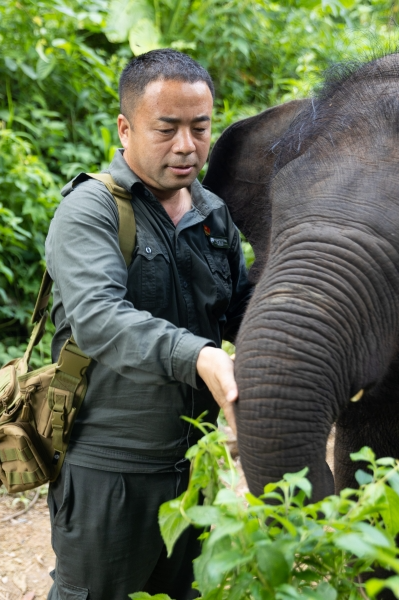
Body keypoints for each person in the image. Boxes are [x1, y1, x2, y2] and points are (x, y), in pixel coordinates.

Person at [43, 48, 253, 600]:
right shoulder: (90, 211)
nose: (186, 145)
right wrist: (201, 356)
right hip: (111, 472)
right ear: (125, 127)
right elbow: (100, 320)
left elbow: (241, 308)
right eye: (167, 129)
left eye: (200, 128)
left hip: (196, 468)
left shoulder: (212, 214)